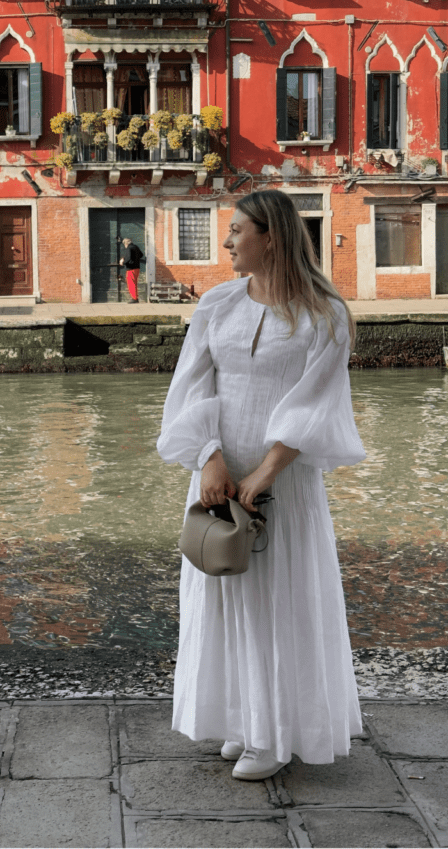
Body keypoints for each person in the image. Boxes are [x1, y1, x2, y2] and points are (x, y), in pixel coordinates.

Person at [157, 189, 365, 781]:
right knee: (225, 596)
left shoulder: (324, 313)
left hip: (283, 483)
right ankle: (244, 720)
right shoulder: (217, 305)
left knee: (279, 602)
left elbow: (317, 404)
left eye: (236, 231)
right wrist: (209, 458)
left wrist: (266, 472)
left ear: (271, 236)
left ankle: (275, 735)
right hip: (220, 477)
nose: (226, 243)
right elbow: (190, 388)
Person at [119, 236, 144, 303]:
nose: (124, 245)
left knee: (131, 284)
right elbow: (141, 255)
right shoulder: (135, 247)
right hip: (137, 268)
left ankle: (134, 298)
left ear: (126, 243)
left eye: (124, 244)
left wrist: (123, 262)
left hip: (130, 269)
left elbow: (128, 258)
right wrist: (135, 258)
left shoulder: (129, 248)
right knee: (134, 283)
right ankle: (135, 298)